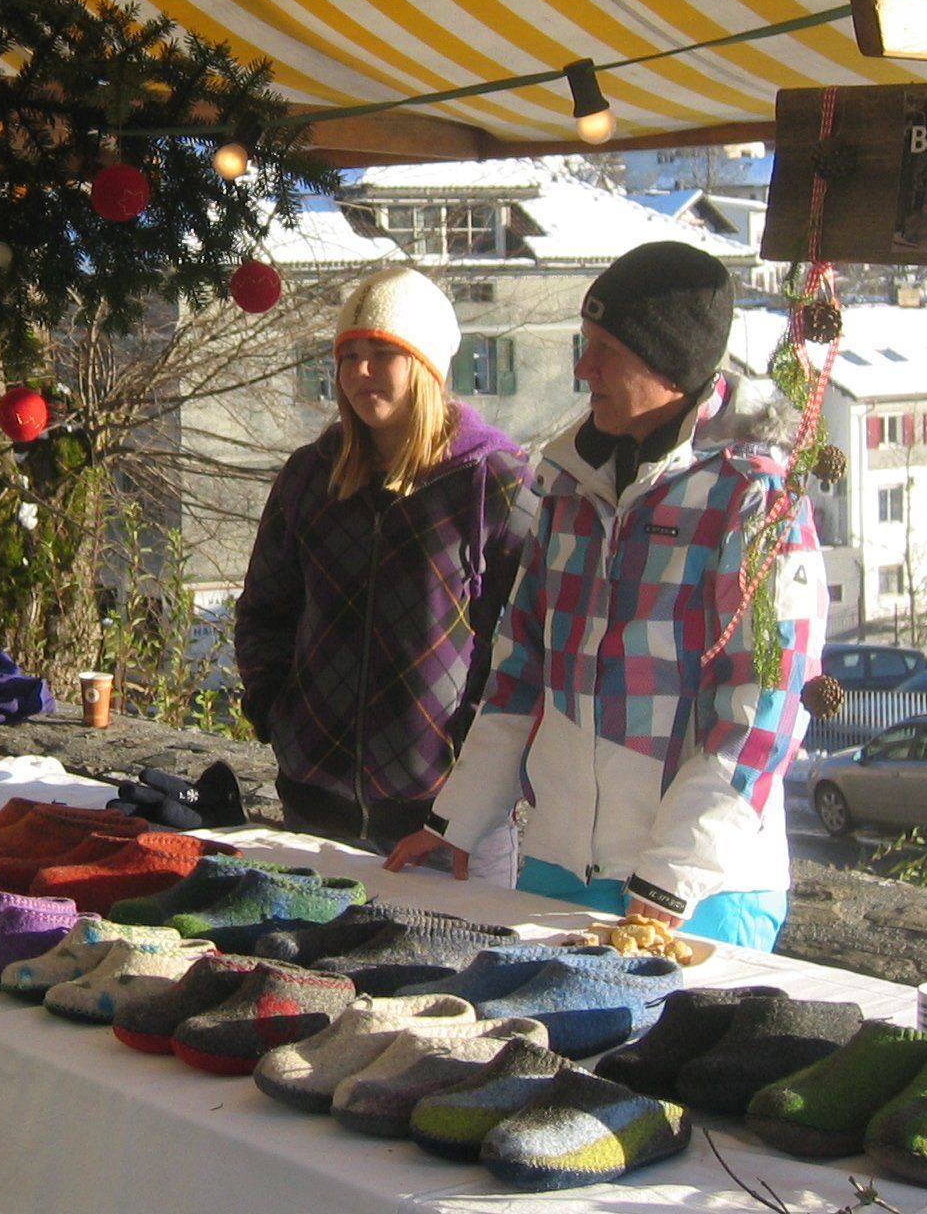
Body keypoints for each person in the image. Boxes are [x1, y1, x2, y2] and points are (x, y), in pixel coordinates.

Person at [387, 241, 826, 950]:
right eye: (583, 343)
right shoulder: (568, 482)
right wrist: (456, 823)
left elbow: (765, 708)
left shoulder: (754, 498)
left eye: (606, 350)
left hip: (703, 892)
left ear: (668, 364)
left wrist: (672, 876)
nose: (582, 368)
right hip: (559, 866)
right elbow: (520, 672)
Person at [233, 266, 530, 875]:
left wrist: (471, 774)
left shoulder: (495, 485)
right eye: (348, 355)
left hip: (446, 823)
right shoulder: (310, 476)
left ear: (426, 365)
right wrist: (276, 716)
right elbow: (265, 609)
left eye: (383, 353)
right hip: (313, 805)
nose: (359, 371)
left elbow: (522, 651)